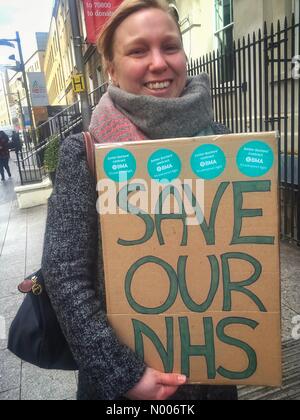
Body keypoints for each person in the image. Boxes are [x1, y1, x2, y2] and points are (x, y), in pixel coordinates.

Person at [42, 0, 237, 401]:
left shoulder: (223, 144)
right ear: (110, 69)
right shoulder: (86, 152)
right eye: (137, 51)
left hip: (213, 379)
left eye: (169, 46)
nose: (158, 62)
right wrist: (125, 375)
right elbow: (65, 275)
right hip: (127, 388)